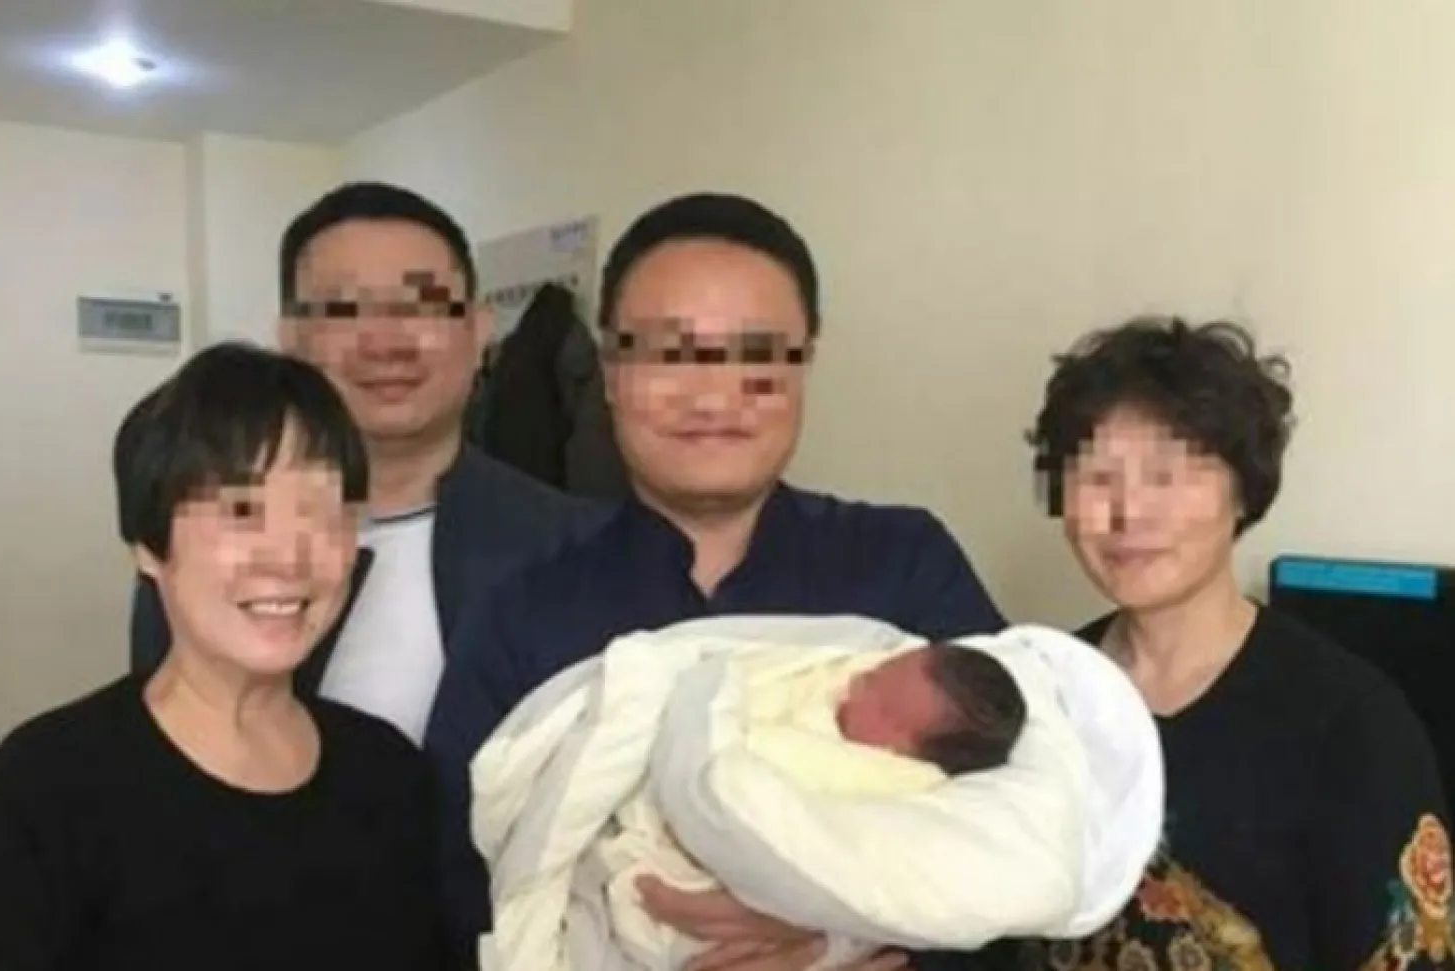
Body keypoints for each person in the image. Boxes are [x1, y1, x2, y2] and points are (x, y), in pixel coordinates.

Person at [427, 192, 1007, 971]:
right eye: (670, 352)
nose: (712, 395)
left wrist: (843, 938)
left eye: (756, 353)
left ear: (805, 363)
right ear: (609, 373)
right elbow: (455, 884)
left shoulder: (905, 566)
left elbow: (1024, 835)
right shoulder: (524, 607)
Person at [0, 343, 451, 970]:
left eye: (326, 513)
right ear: (148, 544)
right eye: (242, 511)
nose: (289, 557)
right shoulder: (45, 794)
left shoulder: (389, 775)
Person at [1017, 316, 1455, 970]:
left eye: (1166, 475)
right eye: (1096, 475)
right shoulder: (1036, 692)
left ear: (1242, 489)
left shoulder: (1352, 726)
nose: (1127, 511)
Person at [130, 181, 601, 745]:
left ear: (478, 332)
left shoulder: (578, 546)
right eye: (344, 308)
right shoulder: (205, 539)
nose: (385, 341)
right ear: (291, 339)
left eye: (422, 304)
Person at [472, 617, 1163, 971]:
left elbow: (943, 902)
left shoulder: (911, 560)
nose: (854, 683)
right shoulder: (531, 593)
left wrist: (829, 926)